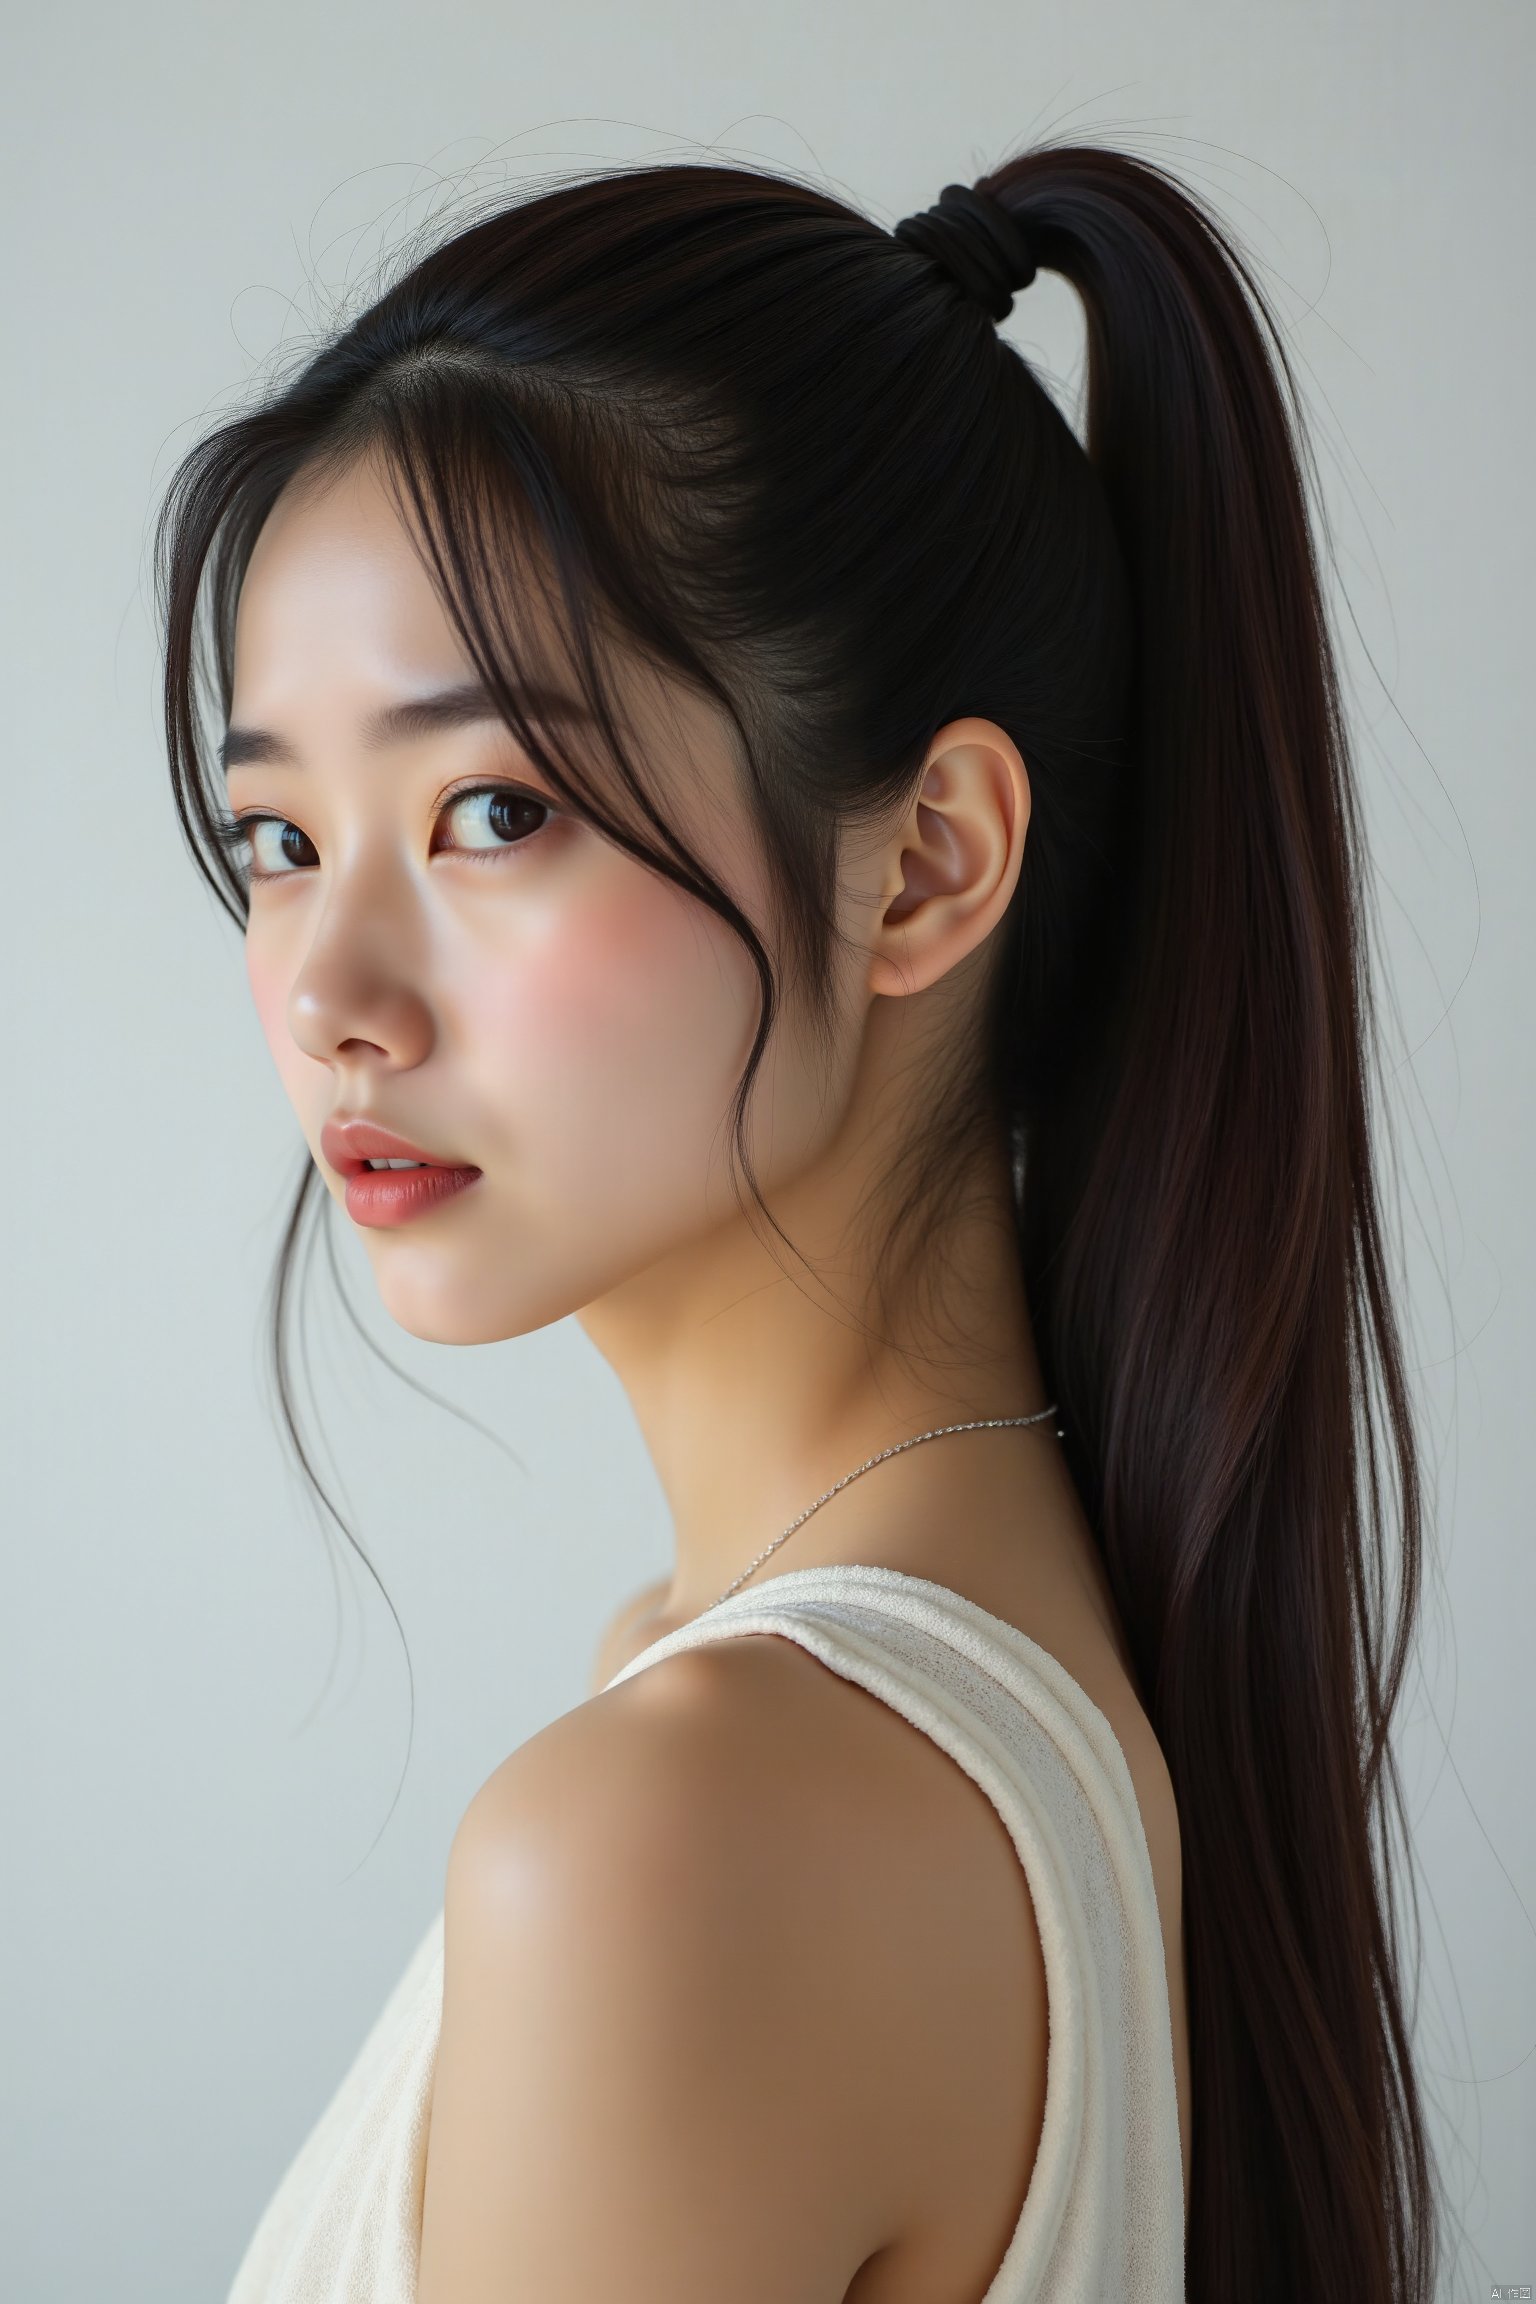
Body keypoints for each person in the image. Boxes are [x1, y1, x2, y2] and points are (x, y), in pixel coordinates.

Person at [154, 147, 1439, 2301]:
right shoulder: (961, 1695)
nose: (326, 995)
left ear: (927, 861)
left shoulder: (685, 1839)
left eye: (494, 810)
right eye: (275, 834)